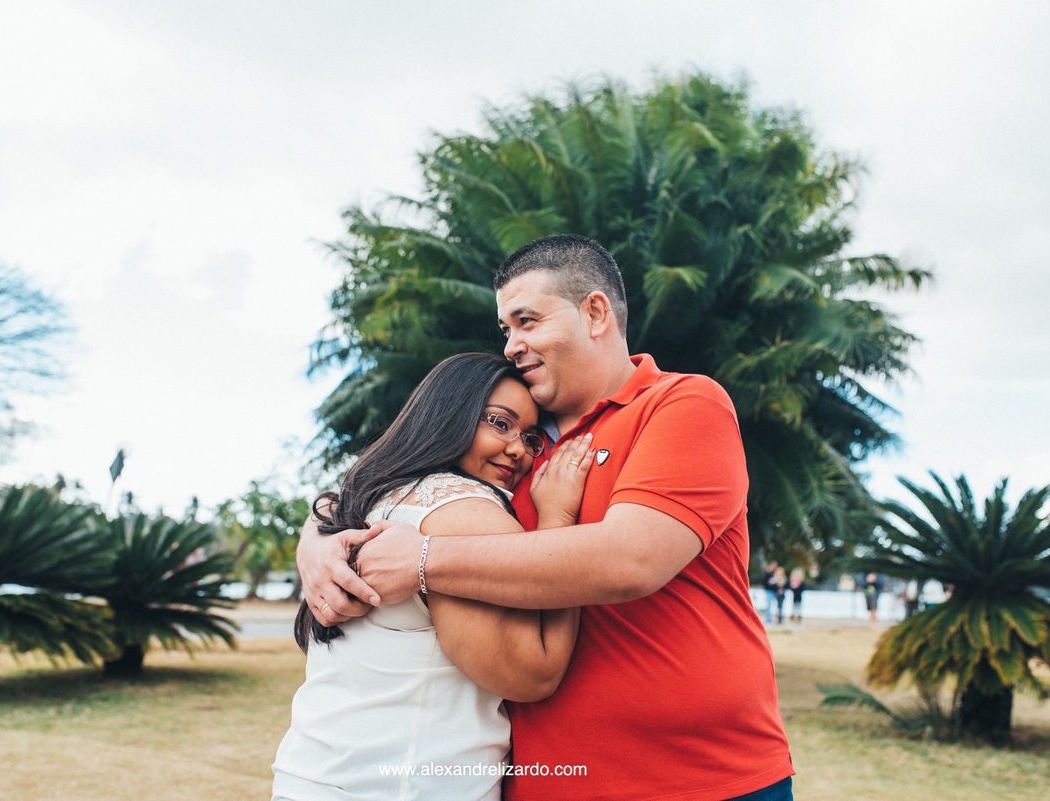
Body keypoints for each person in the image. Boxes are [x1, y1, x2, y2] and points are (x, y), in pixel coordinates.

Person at [301, 233, 794, 800]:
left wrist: (424, 560)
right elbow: (398, 483)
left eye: (527, 321)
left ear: (595, 312)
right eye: (506, 330)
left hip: (706, 778)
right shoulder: (511, 450)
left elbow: (632, 559)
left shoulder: (682, 404)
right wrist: (317, 541)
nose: (512, 345)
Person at [273, 352, 596, 801]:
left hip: (312, 774)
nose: (519, 449)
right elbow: (531, 674)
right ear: (449, 415)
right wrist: (559, 519)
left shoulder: (368, 496)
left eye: (530, 438)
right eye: (500, 423)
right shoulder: (465, 510)